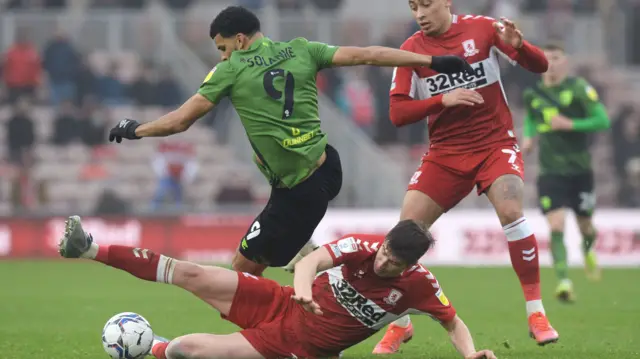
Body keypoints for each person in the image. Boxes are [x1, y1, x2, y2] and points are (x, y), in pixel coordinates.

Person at [106, 6, 473, 277]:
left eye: (222, 47)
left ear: (239, 39)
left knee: (242, 272)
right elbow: (369, 54)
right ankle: (309, 271)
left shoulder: (230, 70)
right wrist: (432, 60)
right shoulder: (302, 49)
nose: (221, 55)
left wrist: (136, 129)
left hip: (298, 188)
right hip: (328, 166)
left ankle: (295, 334)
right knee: (290, 251)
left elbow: (181, 120)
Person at [374, 0, 558, 352]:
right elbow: (397, 114)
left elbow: (540, 65)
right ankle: (399, 323)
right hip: (445, 155)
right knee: (403, 235)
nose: (420, 14)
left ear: (446, 1)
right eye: (413, 7)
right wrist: (441, 101)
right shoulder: (411, 50)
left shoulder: (484, 28)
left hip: (494, 144)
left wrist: (521, 48)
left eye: (426, 4)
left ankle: (537, 313)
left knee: (511, 212)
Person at [58, 216, 496, 359]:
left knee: (187, 350)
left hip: (292, 345)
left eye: (393, 263)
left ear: (409, 266)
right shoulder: (363, 246)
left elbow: (452, 321)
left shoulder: (419, 286)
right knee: (194, 273)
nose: (383, 261)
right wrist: (303, 289)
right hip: (283, 301)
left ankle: (153, 348)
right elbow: (314, 261)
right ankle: (89, 248)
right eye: (384, 252)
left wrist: (471, 352)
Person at [522, 42, 610, 302]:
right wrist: (529, 137)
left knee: (585, 226)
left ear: (565, 62)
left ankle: (588, 249)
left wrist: (570, 124)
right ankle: (563, 281)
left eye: (556, 57)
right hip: (550, 171)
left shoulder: (578, 89)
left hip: (580, 170)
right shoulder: (533, 94)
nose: (550, 62)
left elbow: (602, 120)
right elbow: (531, 117)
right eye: (545, 58)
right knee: (556, 224)